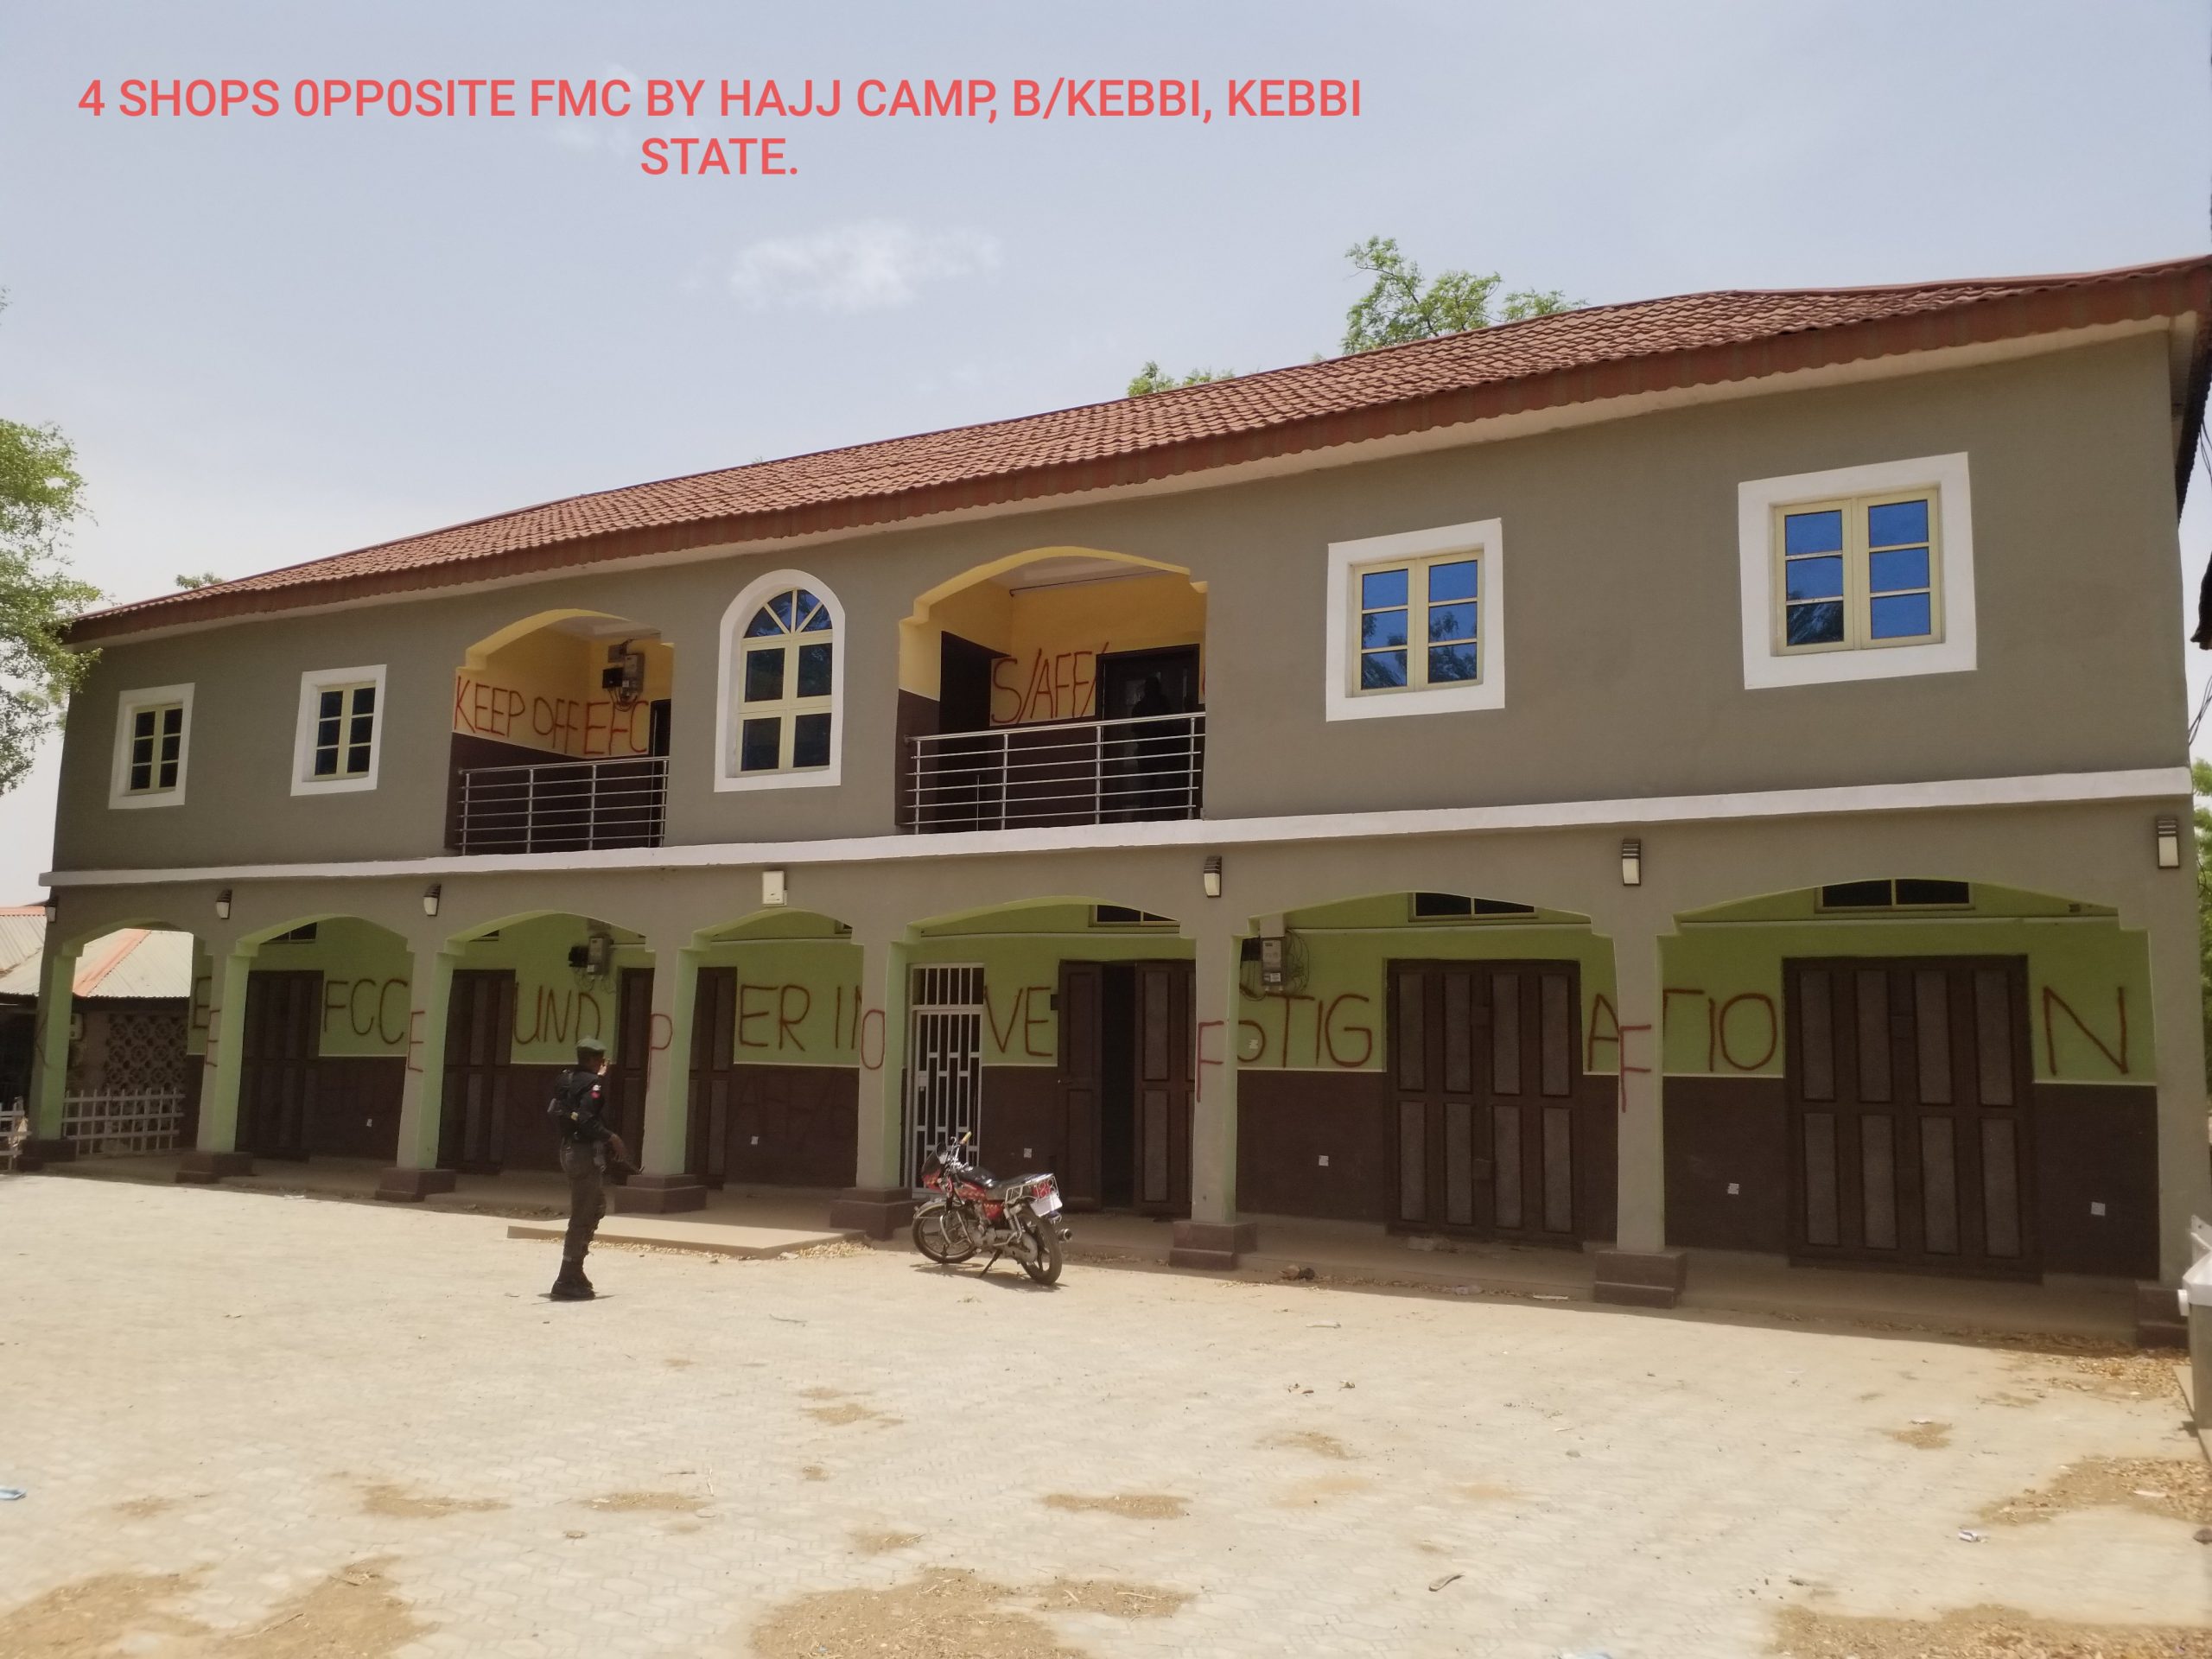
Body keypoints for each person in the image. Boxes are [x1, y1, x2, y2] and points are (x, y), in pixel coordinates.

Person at [548, 1036, 631, 1302]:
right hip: (583, 1153)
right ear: (595, 1060)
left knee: (595, 1207)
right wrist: (612, 1138)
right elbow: (586, 1118)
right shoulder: (593, 1084)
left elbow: (563, 1108)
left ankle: (576, 1269)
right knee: (583, 1214)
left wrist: (598, 1079)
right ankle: (566, 1277)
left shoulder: (566, 1078)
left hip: (568, 1149)